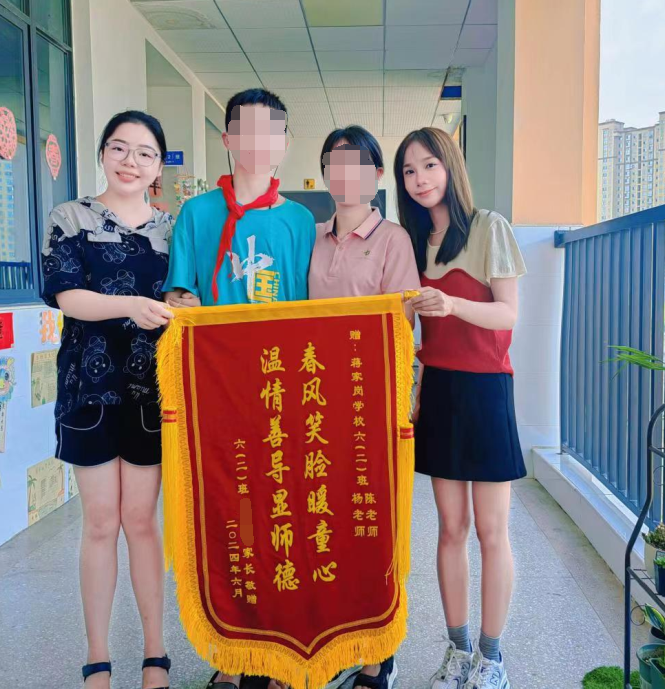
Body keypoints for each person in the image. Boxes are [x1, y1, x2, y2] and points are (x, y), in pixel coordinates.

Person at [162, 88, 316, 689]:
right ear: (227, 139)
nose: (256, 142)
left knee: (285, 516)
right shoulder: (197, 214)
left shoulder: (300, 221)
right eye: (243, 131)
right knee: (230, 515)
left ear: (283, 142)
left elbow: (312, 309)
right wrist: (185, 305)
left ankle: (282, 655)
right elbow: (179, 294)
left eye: (268, 131)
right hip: (219, 392)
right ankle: (231, 655)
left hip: (282, 391)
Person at [41, 111, 190, 689]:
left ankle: (156, 653)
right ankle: (97, 658)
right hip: (89, 388)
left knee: (141, 521)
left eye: (145, 153)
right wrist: (130, 305)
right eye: (120, 148)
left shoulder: (174, 228)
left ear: (158, 167)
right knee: (101, 522)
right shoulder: (71, 217)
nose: (131, 162)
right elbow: (66, 295)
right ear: (103, 153)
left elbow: (188, 296)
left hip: (153, 390)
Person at [394, 127, 527, 689]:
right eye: (408, 171)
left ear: (450, 166)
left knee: (492, 531)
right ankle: (457, 650)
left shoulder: (490, 227)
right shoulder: (412, 241)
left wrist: (451, 304)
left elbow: (508, 314)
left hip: (487, 390)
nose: (419, 179)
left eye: (429, 165)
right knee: (451, 528)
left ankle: (492, 659)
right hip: (440, 392)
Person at [309, 125, 420, 689]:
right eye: (335, 163)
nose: (345, 174)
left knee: (371, 523)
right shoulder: (311, 237)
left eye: (357, 164)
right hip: (314, 404)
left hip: (368, 403)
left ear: (377, 175)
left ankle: (380, 655)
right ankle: (332, 638)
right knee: (324, 523)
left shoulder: (394, 240)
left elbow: (400, 328)